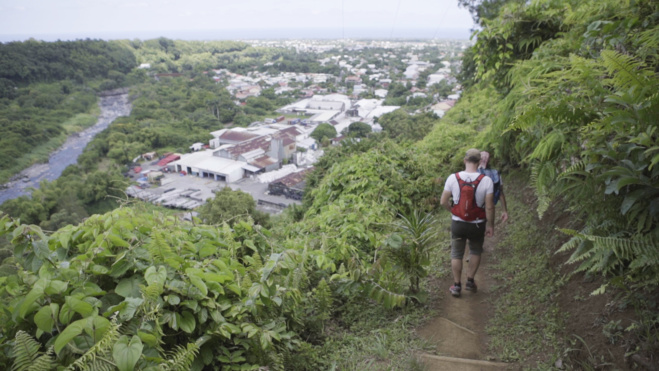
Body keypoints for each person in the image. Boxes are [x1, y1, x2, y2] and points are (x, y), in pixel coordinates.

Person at [440, 149, 495, 298]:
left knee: (456, 253)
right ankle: (470, 281)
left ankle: (457, 285)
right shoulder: (486, 180)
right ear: (478, 163)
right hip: (477, 224)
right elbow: (489, 207)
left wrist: (453, 211)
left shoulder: (453, 178)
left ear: (465, 161)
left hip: (458, 224)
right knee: (475, 251)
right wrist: (490, 225)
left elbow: (443, 201)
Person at [478, 151, 509, 223]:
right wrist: (504, 211)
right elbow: (500, 193)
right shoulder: (495, 173)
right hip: (490, 207)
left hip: (474, 209)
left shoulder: (472, 173)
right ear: (489, 160)